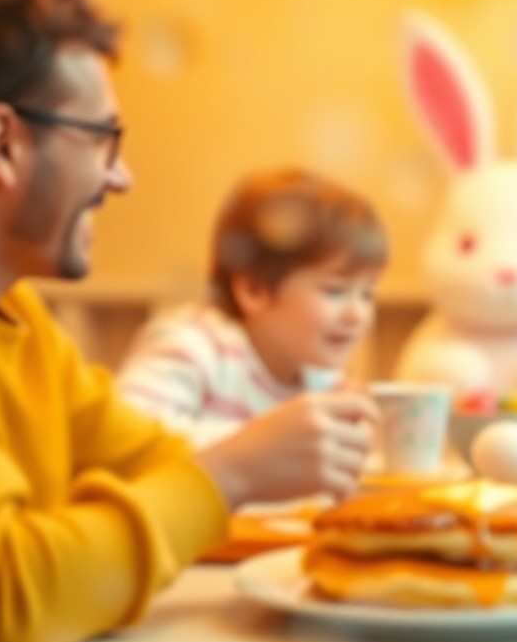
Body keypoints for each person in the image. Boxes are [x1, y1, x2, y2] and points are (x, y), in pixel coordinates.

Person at [0, 0, 375, 642]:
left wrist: (246, 474)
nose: (120, 177)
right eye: (100, 139)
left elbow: (147, 461)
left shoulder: (2, 309)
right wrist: (235, 473)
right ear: (2, 144)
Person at [117, 168, 386, 449]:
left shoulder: (319, 381)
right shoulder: (193, 344)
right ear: (254, 290)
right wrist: (267, 444)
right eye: (335, 290)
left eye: (367, 293)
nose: (357, 314)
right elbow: (127, 436)